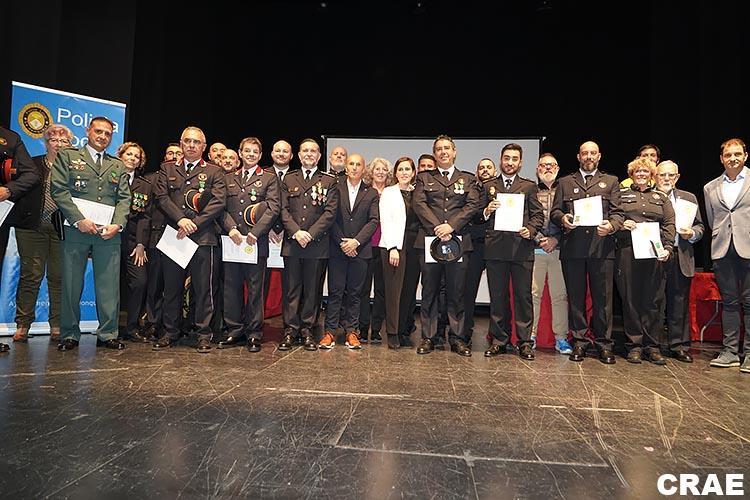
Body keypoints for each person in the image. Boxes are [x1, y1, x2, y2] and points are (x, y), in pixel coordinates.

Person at [50, 116, 131, 351]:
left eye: (107, 134)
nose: (102, 136)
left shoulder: (117, 165)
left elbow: (124, 198)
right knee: (71, 284)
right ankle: (69, 334)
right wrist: (78, 220)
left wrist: (118, 225)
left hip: (108, 232)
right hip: (77, 230)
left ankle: (108, 333)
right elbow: (59, 190)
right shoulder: (69, 156)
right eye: (98, 131)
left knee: (109, 286)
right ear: (88, 131)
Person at [153, 126, 226, 353]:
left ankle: (203, 334)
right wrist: (181, 220)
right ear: (181, 143)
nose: (191, 145)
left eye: (196, 142)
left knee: (204, 290)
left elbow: (218, 202)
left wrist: (195, 223)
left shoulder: (215, 171)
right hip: (175, 236)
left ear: (204, 146)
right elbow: (161, 197)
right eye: (187, 141)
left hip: (203, 237)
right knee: (171, 288)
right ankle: (170, 332)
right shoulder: (167, 168)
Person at [550, 140, 623, 364]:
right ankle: (579, 342)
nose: (589, 157)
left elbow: (618, 213)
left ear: (599, 156)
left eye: (593, 153)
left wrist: (612, 225)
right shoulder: (565, 182)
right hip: (573, 249)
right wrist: (563, 218)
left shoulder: (611, 181)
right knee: (576, 298)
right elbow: (555, 212)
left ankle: (604, 344)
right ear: (578, 157)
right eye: (585, 153)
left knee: (603, 300)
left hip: (602, 248)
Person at [413, 134, 483, 356]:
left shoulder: (468, 179)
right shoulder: (424, 178)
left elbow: (472, 205)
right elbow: (419, 203)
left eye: (447, 148)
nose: (443, 152)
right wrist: (438, 227)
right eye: (439, 149)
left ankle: (457, 337)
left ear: (454, 152)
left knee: (456, 292)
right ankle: (429, 337)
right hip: (430, 239)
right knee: (430, 290)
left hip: (458, 240)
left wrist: (451, 226)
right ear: (435, 154)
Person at [481, 144, 544, 360]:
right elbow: (476, 215)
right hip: (495, 249)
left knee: (523, 297)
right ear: (501, 160)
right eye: (506, 158)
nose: (510, 162)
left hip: (521, 249)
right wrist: (486, 211)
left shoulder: (529, 186)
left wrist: (531, 230)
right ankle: (499, 340)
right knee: (498, 297)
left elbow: (538, 216)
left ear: (520, 162)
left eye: (514, 159)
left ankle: (524, 342)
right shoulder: (488, 186)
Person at [12, 124, 72, 343]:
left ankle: (57, 325)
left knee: (58, 277)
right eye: (53, 139)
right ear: (46, 143)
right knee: (31, 276)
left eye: (63, 141)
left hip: (61, 229)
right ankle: (23, 324)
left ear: (70, 145)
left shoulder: (74, 168)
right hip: (31, 227)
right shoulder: (32, 164)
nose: (58, 144)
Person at [220, 137, 280, 352]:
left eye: (255, 151)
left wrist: (256, 232)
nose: (251, 154)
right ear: (240, 153)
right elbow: (221, 207)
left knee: (255, 290)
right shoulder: (228, 178)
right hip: (232, 240)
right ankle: (234, 330)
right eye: (247, 151)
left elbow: (273, 208)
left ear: (260, 155)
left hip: (256, 242)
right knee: (231, 288)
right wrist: (231, 229)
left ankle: (254, 333)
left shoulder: (269, 178)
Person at [278, 138, 339, 351]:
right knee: (291, 290)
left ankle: (307, 330)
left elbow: (330, 213)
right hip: (293, 243)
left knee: (312, 291)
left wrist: (310, 234)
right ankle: (290, 330)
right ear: (299, 154)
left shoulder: (329, 181)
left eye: (313, 151)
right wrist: (296, 232)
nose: (309, 154)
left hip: (316, 245)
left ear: (319, 156)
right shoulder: (289, 178)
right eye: (305, 150)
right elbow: (283, 209)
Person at [615, 157, 675, 364]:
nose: (641, 174)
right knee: (630, 299)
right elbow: (613, 217)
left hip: (654, 253)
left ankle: (652, 346)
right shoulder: (621, 195)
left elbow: (669, 224)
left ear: (651, 175)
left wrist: (668, 248)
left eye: (645, 171)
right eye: (637, 171)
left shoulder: (661, 197)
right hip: (627, 252)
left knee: (653, 300)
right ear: (631, 175)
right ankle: (634, 345)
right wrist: (622, 224)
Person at [321, 153, 379, 349]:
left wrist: (356, 242)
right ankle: (330, 332)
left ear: (363, 169)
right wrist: (343, 243)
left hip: (360, 251)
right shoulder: (335, 187)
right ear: (346, 167)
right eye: (351, 164)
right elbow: (330, 218)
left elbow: (373, 221)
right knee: (335, 292)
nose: (354, 167)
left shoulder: (371, 192)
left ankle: (352, 332)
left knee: (355, 294)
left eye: (358, 164)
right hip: (337, 249)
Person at [704, 138, 750, 371]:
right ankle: (730, 351)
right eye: (728, 155)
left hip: (748, 247)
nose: (733, 158)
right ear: (721, 159)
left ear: (745, 156)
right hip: (722, 249)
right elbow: (713, 219)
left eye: (737, 154)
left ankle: (749, 353)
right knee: (729, 302)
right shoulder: (710, 187)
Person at [655, 160, 704, 362]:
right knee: (654, 303)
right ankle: (653, 345)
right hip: (655, 255)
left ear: (677, 177)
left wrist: (692, 233)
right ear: (655, 176)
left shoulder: (688, 198)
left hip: (680, 254)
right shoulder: (648, 197)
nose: (666, 178)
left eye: (671, 175)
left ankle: (678, 345)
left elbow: (700, 226)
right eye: (662, 175)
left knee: (679, 302)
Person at [530, 153, 572, 354]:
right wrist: (539, 239)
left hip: (559, 251)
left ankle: (561, 338)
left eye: (551, 165)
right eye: (543, 165)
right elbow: (526, 218)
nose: (547, 168)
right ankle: (530, 336)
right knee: (533, 294)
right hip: (534, 249)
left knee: (559, 295)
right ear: (537, 169)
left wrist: (557, 240)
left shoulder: (567, 191)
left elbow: (574, 220)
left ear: (557, 168)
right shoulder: (530, 190)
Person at [380, 156, 419, 349]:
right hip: (395, 245)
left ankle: (403, 330)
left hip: (415, 246)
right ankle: (392, 332)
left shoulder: (418, 193)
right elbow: (385, 221)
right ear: (395, 173)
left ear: (413, 173)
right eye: (401, 169)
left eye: (407, 169)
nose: (404, 173)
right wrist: (393, 248)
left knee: (408, 292)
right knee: (394, 291)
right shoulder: (389, 193)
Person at [117, 142, 153, 343]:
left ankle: (131, 327)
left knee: (140, 282)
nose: (132, 158)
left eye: (136, 156)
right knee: (110, 284)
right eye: (129, 154)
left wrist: (141, 244)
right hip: (109, 238)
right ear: (120, 156)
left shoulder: (145, 185)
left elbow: (145, 217)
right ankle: (110, 327)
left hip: (133, 241)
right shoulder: (109, 178)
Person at [357, 157, 391, 343]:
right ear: (371, 172)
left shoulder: (393, 193)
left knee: (381, 290)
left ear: (388, 173)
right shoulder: (364, 191)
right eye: (377, 169)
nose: (380, 172)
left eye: (383, 169)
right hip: (365, 245)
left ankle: (376, 329)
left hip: (384, 247)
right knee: (362, 289)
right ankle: (363, 328)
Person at [464, 158, 495, 342]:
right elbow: (470, 213)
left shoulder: (503, 190)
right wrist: (485, 212)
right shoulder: (472, 189)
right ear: (477, 172)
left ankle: (496, 335)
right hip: (475, 245)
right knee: (468, 291)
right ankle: (465, 331)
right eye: (481, 167)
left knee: (498, 293)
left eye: (488, 167)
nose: (485, 170)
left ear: (494, 171)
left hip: (497, 245)